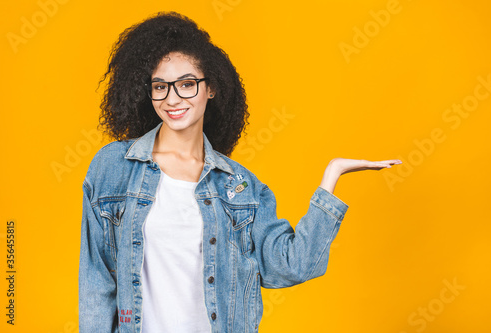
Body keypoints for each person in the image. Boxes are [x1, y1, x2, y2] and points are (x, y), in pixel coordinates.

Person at [78, 11, 402, 333]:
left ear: (211, 88)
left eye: (187, 84)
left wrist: (331, 177)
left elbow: (290, 266)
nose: (172, 98)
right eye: (160, 86)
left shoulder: (240, 186)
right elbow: (96, 283)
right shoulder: (114, 167)